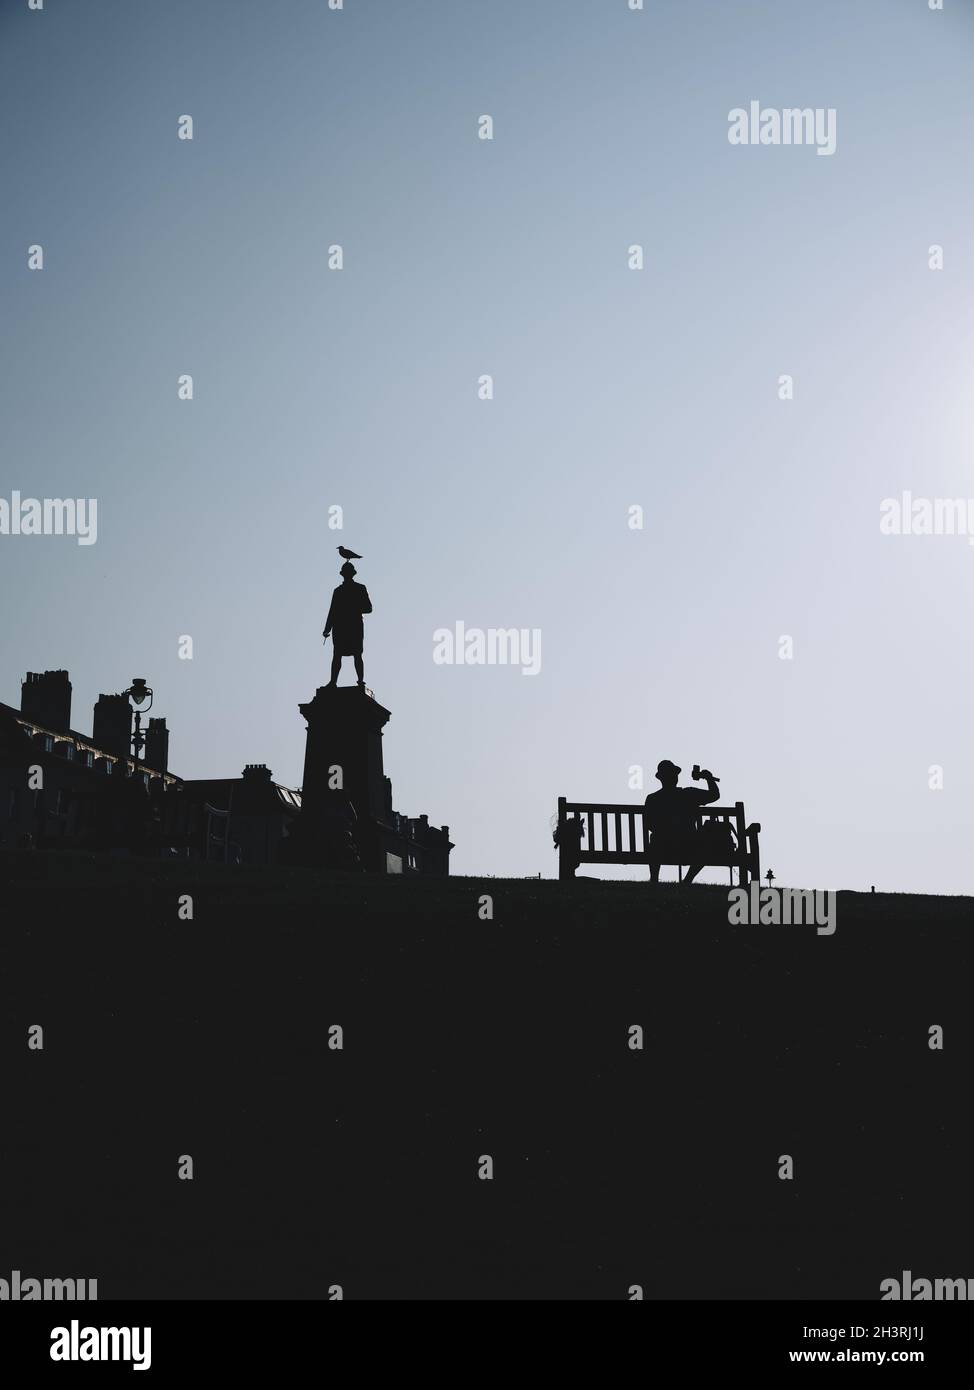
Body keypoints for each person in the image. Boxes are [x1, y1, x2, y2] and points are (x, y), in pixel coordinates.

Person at [643, 760, 721, 885]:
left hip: (662, 847)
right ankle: (688, 880)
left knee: (655, 840)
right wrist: (709, 778)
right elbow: (714, 795)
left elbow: (648, 824)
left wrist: (665, 830)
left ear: (661, 778)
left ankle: (654, 880)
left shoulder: (653, 798)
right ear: (675, 777)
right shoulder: (689, 794)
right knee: (706, 844)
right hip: (689, 846)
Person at [323, 562, 373, 686]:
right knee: (337, 655)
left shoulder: (360, 588)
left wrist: (354, 608)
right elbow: (332, 611)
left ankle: (360, 681)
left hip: (354, 626)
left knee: (357, 655)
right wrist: (327, 629)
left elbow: (369, 608)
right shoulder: (338, 591)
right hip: (340, 627)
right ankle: (333, 681)